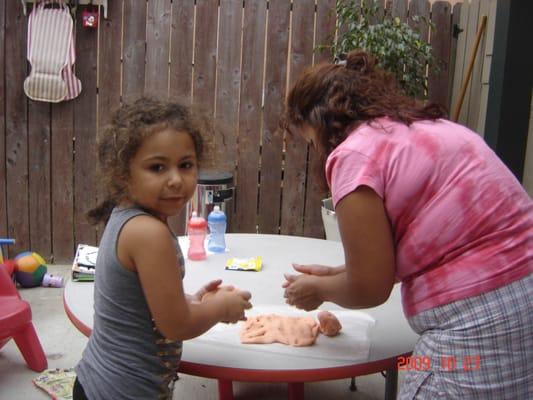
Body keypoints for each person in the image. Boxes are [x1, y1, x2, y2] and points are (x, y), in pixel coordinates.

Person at [280, 49, 532, 398]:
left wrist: (319, 290)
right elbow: (444, 238)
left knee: (419, 376)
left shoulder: (353, 155)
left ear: (320, 120)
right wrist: (338, 273)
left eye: (310, 140)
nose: (316, 150)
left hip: (475, 324)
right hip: (522, 299)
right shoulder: (430, 129)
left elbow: (371, 287)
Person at [74, 98, 252, 400]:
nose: (175, 179)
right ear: (123, 174)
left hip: (97, 382)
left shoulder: (126, 216)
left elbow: (139, 303)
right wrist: (221, 308)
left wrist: (191, 301)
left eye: (185, 165)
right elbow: (176, 325)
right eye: (157, 167)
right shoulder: (149, 233)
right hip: (123, 392)